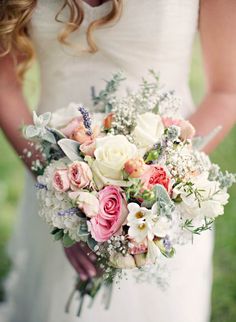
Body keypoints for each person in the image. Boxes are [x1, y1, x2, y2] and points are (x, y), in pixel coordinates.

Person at [0, 1, 235, 321]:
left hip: (162, 204)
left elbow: (226, 91)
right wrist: (66, 198)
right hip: (55, 181)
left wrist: (154, 187)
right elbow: (4, 85)